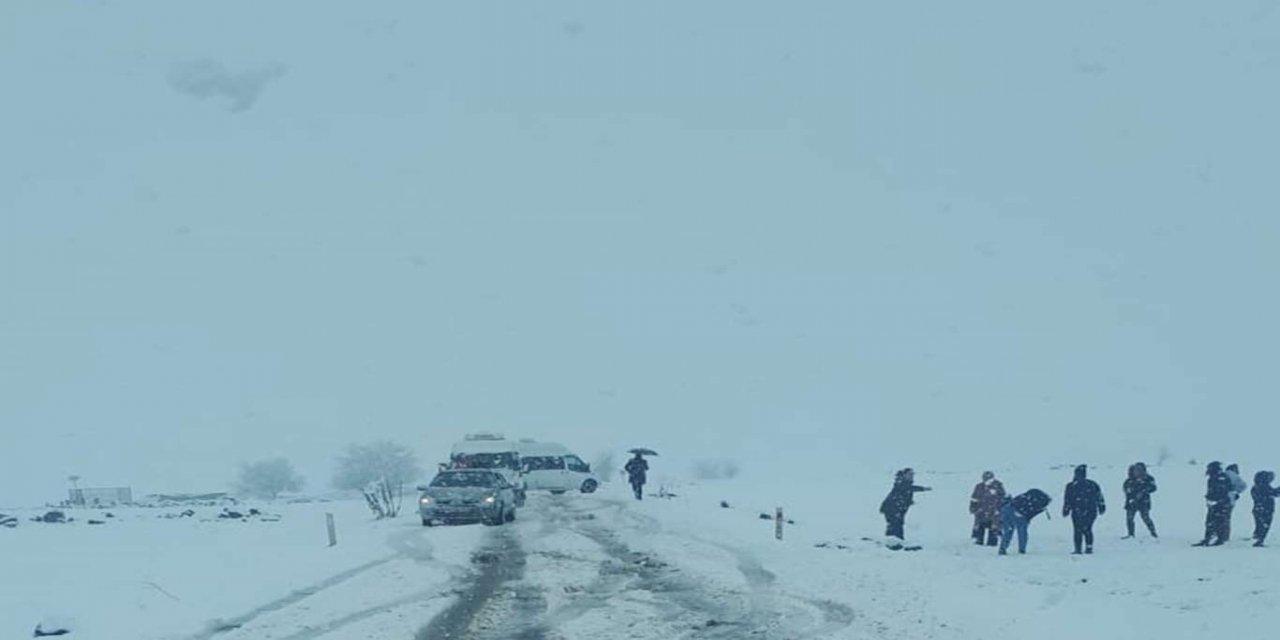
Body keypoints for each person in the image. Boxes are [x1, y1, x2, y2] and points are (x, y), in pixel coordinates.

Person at [879, 468, 931, 543]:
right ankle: (893, 542)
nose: (912, 476)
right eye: (909, 474)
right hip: (891, 508)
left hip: (898, 508)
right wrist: (922, 488)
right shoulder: (901, 483)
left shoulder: (905, 483)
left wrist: (909, 501)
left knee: (898, 524)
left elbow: (905, 493)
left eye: (912, 474)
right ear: (904, 475)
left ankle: (897, 541)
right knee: (895, 525)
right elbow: (907, 489)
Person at [1063, 465, 1105, 554]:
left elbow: (1099, 496)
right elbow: (1067, 499)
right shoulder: (1072, 486)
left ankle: (1086, 548)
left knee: (1085, 529)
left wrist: (1101, 506)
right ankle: (1081, 548)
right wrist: (1066, 509)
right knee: (1080, 529)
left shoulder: (1090, 485)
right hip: (1079, 510)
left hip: (1088, 510)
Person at [998, 489, 1051, 555]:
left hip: (1007, 508)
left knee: (1008, 531)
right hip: (1019, 513)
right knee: (1022, 532)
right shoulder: (1038, 504)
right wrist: (1027, 520)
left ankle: (1002, 548)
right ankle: (1022, 550)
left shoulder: (1027, 496)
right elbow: (1030, 514)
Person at [1194, 461, 1234, 547]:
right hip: (1215, 503)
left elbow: (1223, 491)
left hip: (1220, 504)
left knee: (1218, 521)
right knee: (1210, 521)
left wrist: (1216, 500)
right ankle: (1209, 538)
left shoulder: (1220, 478)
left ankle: (1219, 539)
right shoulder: (1215, 478)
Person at [1122, 463, 1158, 539]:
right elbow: (1125, 489)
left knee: (1146, 518)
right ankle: (1131, 534)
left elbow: (1153, 488)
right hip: (1131, 502)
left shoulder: (1148, 479)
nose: (1137, 471)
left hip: (1144, 502)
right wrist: (1131, 492)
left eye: (1140, 469)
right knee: (1129, 518)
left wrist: (1143, 491)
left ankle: (1153, 533)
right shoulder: (1129, 480)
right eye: (1136, 469)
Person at [970, 471, 1006, 546]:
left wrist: (1001, 510)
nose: (987, 480)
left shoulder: (998, 486)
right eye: (985, 478)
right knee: (980, 527)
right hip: (981, 512)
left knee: (994, 528)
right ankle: (979, 542)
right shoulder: (979, 486)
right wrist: (972, 507)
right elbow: (974, 498)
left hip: (994, 512)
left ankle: (992, 543)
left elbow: (1003, 499)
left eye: (989, 478)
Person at [1251, 471, 1280, 547]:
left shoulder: (1255, 487)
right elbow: (1274, 493)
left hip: (1258, 508)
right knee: (1265, 525)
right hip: (1266, 509)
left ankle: (1257, 536)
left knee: (1260, 524)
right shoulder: (1265, 487)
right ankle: (1260, 540)